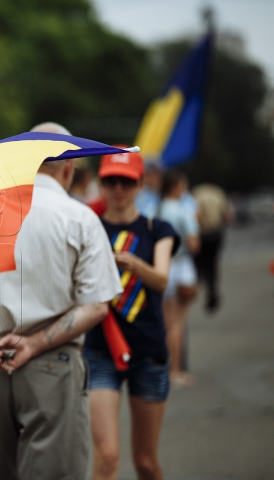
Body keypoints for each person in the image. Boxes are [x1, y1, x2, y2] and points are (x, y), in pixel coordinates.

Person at [0, 122, 122, 480]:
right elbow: (97, 304)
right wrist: (35, 343)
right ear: (69, 167)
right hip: (52, 361)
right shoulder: (80, 217)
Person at [84, 149, 178, 480]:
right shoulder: (88, 227)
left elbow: (163, 279)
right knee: (107, 456)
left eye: (126, 181)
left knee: (146, 463)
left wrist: (132, 263)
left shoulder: (157, 229)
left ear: (140, 184)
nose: (118, 188)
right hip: (100, 351)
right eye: (111, 180)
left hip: (148, 352)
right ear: (101, 183)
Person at [158, 170, 200, 387]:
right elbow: (194, 243)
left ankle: (164, 369)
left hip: (161, 264)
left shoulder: (156, 208)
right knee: (177, 323)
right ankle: (175, 371)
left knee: (164, 321)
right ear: (177, 187)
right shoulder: (183, 211)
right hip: (180, 264)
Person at [192, 182, 232, 312]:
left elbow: (195, 215)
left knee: (200, 265)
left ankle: (196, 293)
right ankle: (213, 293)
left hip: (202, 233)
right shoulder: (218, 193)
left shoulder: (197, 193)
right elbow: (228, 215)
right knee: (212, 265)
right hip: (216, 233)